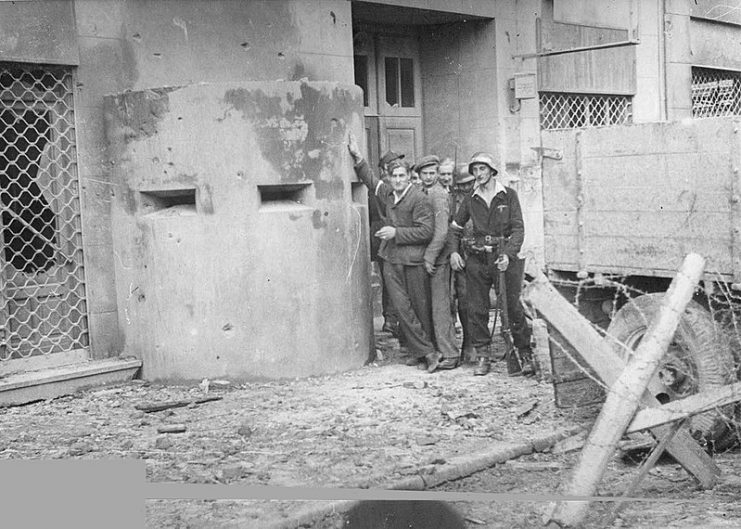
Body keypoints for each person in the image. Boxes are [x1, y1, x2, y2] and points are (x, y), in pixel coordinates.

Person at [348, 133, 441, 373]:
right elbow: (370, 179)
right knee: (401, 308)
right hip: (391, 261)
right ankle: (423, 352)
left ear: (409, 176)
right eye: (394, 176)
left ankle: (427, 352)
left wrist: (395, 232)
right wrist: (358, 157)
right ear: (389, 177)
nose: (398, 180)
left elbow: (426, 231)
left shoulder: (419, 198)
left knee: (420, 309)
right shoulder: (388, 193)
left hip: (412, 261)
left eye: (402, 176)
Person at [448, 152, 533, 376]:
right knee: (477, 308)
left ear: (492, 171)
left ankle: (524, 354)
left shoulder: (508, 196)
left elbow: (518, 229)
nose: (479, 174)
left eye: (483, 169)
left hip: (503, 258)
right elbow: (455, 227)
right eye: (475, 170)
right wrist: (454, 252)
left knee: (512, 307)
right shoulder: (470, 198)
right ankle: (483, 356)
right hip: (477, 259)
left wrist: (507, 254)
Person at [414, 155, 459, 370]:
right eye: (425, 173)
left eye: (433, 173)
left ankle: (450, 353)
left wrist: (430, 257)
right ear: (419, 175)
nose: (429, 177)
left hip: (438, 259)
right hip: (425, 258)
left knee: (441, 307)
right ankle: (432, 350)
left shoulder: (439, 195)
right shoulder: (421, 192)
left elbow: (441, 233)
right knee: (427, 306)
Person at [372, 150, 405, 337]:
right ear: (385, 170)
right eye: (393, 165)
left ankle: (392, 319)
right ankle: (391, 320)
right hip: (386, 239)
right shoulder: (384, 188)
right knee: (391, 279)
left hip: (391, 236)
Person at [451, 166, 476, 363]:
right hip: (462, 256)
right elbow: (453, 230)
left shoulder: (485, 196)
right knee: (464, 300)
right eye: (462, 185)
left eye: (469, 183)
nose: (466, 187)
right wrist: (454, 253)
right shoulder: (452, 202)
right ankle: (468, 343)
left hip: (484, 255)